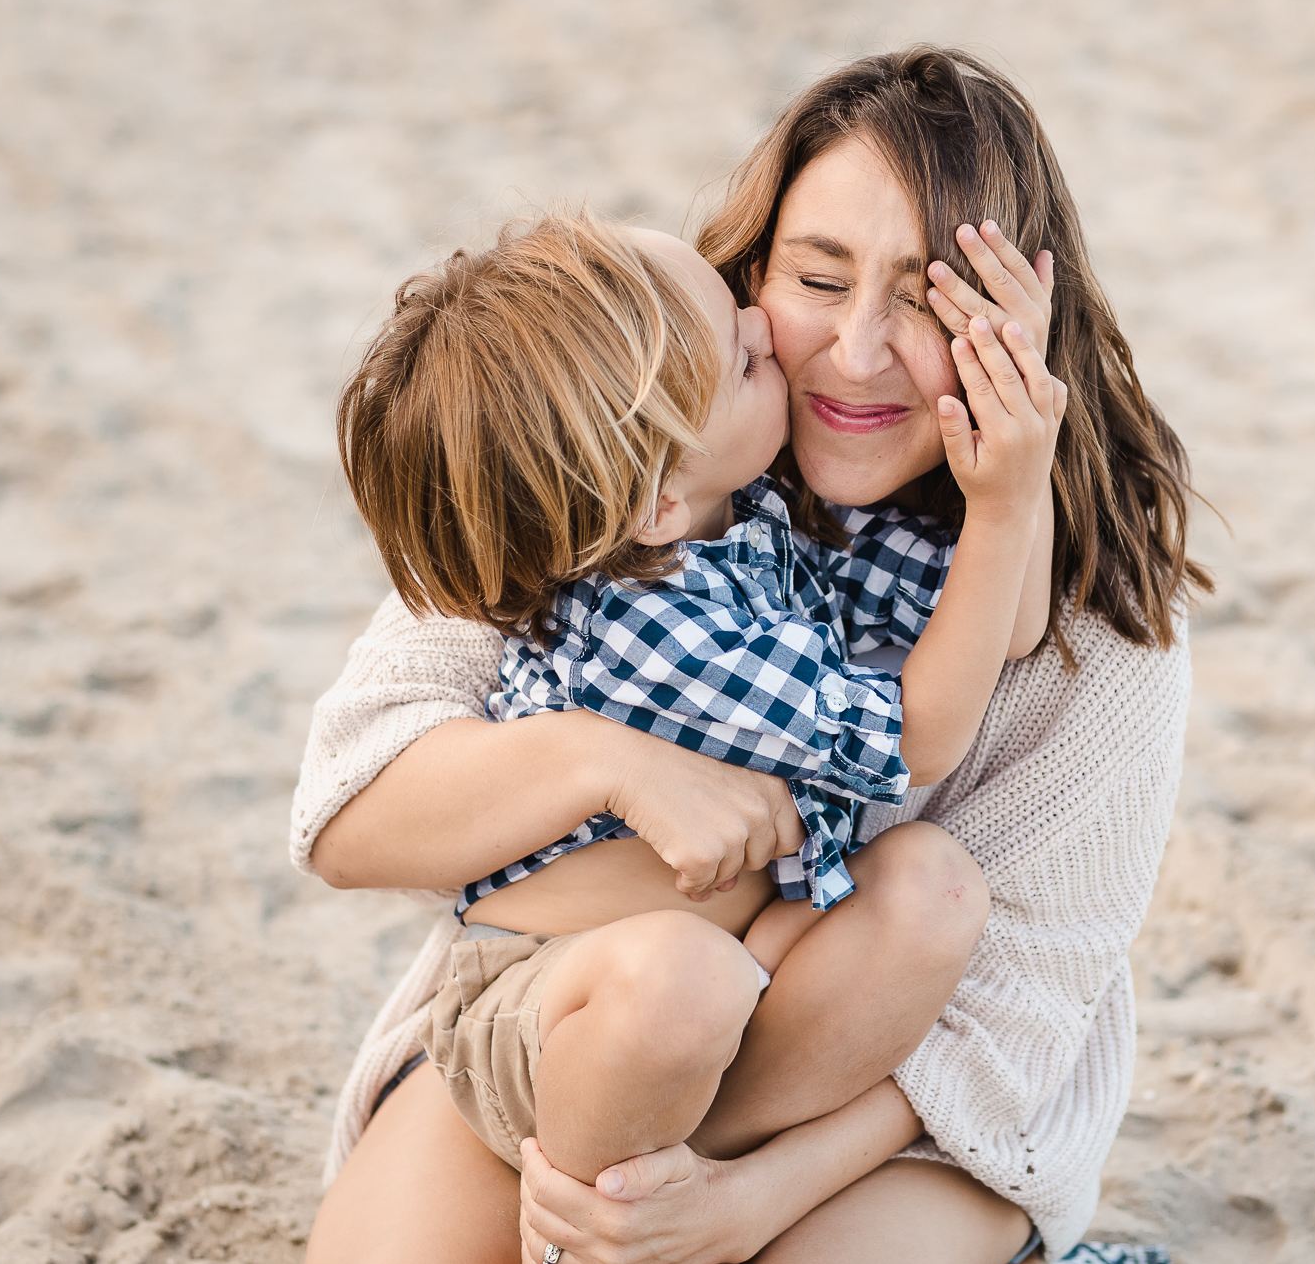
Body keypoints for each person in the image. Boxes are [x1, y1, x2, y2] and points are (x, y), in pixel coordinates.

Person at [294, 45, 1206, 1264]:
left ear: (1015, 331)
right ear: (754, 273)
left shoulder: (1095, 609)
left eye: (929, 302)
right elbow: (350, 815)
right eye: (816, 279)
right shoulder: (620, 448)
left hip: (888, 1109)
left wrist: (744, 1202)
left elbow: (1023, 996)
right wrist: (596, 758)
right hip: (585, 1037)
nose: (859, 351)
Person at [328, 208, 1064, 1187]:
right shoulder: (646, 621)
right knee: (683, 979)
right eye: (743, 359)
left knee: (928, 891)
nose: (763, 328)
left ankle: (696, 1174)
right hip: (552, 1010)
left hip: (738, 987)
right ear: (657, 501)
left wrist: (1012, 443)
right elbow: (911, 738)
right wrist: (1006, 505)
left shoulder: (743, 522)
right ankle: (593, 1222)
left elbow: (998, 618)